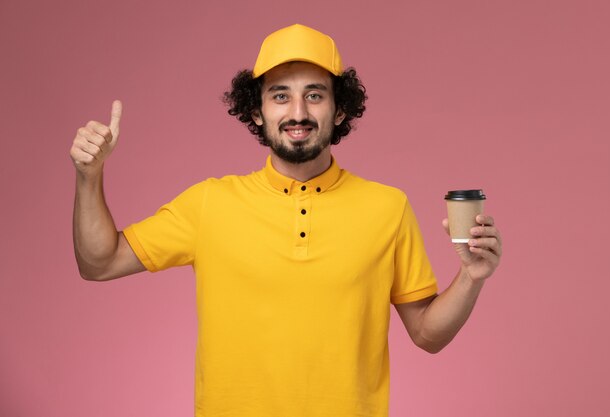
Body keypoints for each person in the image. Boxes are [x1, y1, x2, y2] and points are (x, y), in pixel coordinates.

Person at [70, 24, 502, 417]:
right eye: (280, 95)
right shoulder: (210, 203)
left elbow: (428, 334)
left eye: (314, 94)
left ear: (339, 111)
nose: (297, 111)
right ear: (256, 111)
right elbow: (99, 262)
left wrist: (471, 277)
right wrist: (90, 177)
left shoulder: (387, 207)